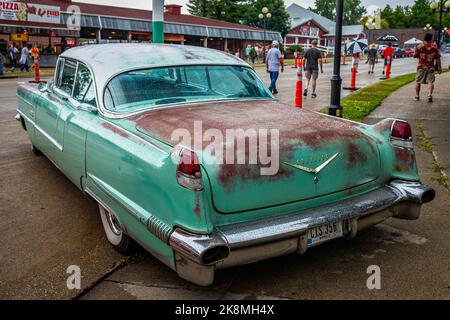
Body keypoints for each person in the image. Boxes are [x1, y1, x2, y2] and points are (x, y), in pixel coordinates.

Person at [413, 33, 441, 103]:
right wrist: (439, 67)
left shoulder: (420, 46)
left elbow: (415, 55)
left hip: (421, 66)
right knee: (430, 82)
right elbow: (438, 58)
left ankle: (417, 96)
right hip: (431, 67)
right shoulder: (434, 46)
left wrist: (420, 55)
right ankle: (429, 95)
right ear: (431, 38)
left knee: (418, 82)